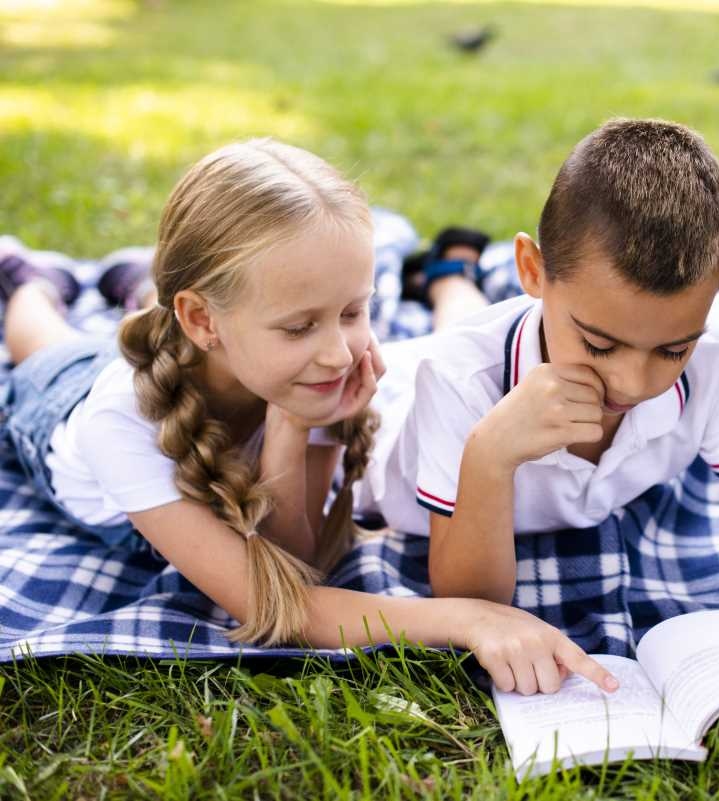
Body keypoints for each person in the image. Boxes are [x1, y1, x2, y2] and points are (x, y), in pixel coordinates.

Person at [0, 138, 617, 695]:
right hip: (62, 402)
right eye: (300, 325)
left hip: (203, 339)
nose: (340, 350)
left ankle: (139, 286)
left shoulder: (313, 369)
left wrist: (293, 425)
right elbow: (279, 606)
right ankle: (25, 278)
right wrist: (470, 618)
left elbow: (295, 556)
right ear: (202, 320)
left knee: (170, 318)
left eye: (354, 311)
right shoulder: (118, 423)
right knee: (46, 340)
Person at [359, 118, 719, 672]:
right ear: (532, 269)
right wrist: (491, 455)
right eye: (598, 345)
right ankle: (451, 275)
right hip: (398, 416)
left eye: (671, 350)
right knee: (446, 335)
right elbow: (473, 602)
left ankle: (462, 275)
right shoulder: (458, 380)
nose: (634, 384)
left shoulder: (711, 364)